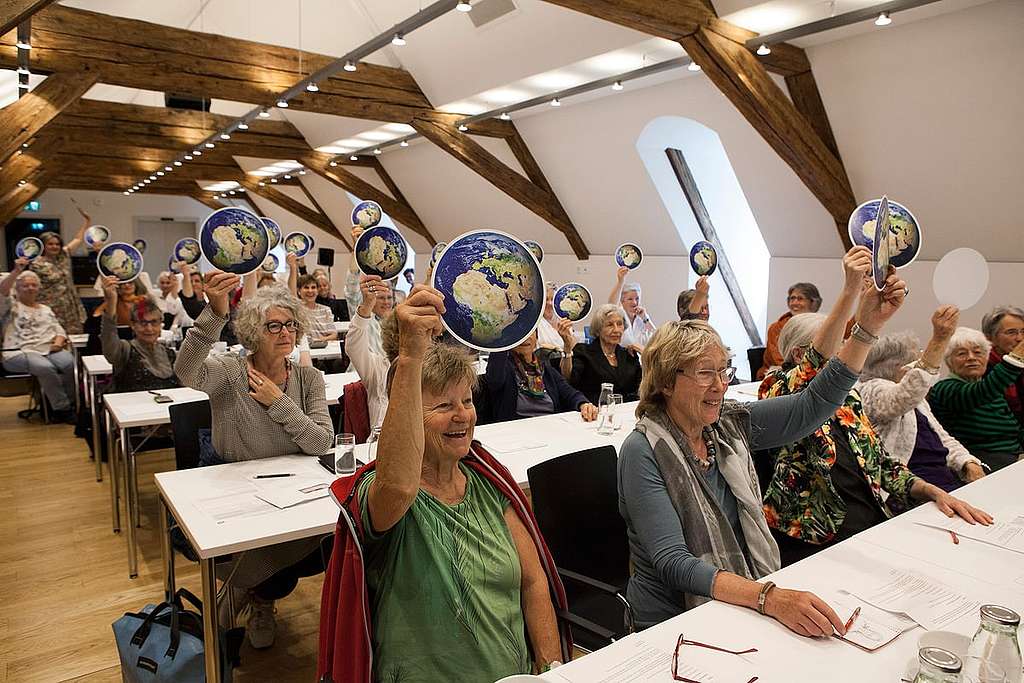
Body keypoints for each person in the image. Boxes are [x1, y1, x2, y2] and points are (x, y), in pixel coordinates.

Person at [318, 284, 572, 682]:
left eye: (467, 401)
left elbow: (533, 580)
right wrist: (411, 357)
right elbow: (399, 486)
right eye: (442, 406)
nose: (463, 416)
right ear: (406, 413)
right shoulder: (387, 494)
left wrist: (550, 668)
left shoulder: (488, 483)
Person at [760, 248, 990, 566]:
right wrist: (851, 291)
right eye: (839, 343)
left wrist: (930, 490)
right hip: (815, 538)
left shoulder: (849, 398)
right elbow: (814, 372)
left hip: (872, 521)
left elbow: (880, 463)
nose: (847, 352)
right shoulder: (777, 391)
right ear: (799, 355)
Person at [174, 273, 334, 649]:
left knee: (328, 542)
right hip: (236, 487)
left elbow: (322, 442)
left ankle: (242, 592)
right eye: (273, 326)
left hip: (292, 489)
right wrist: (214, 314)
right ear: (251, 331)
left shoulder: (308, 378)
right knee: (275, 552)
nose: (285, 333)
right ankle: (257, 596)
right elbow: (186, 371)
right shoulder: (230, 372)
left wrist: (278, 402)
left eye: (290, 324)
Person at [857, 307, 985, 492]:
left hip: (943, 478)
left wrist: (967, 462)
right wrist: (940, 338)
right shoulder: (871, 389)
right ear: (898, 366)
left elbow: (942, 438)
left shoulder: (917, 400)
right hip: (912, 487)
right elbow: (904, 396)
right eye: (916, 362)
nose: (919, 367)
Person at [927, 327, 1024, 472]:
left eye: (978, 352)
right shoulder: (944, 389)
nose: (971, 357)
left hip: (1013, 458)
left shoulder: (991, 390)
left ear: (986, 358)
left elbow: (1014, 430)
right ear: (949, 361)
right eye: (961, 354)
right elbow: (979, 393)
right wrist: (1015, 359)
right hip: (978, 461)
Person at [0, 260, 75, 422]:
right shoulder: (11, 307)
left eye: (34, 285)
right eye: (25, 285)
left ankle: (72, 404)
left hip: (49, 349)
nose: (30, 288)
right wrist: (15, 271)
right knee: (45, 367)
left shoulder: (45, 309)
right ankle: (61, 409)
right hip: (18, 352)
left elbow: (59, 330)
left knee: (70, 363)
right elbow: (3, 291)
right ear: (17, 289)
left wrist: (59, 341)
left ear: (38, 288)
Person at [485, 328, 598, 422]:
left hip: (549, 426)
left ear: (537, 339)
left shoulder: (546, 369)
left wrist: (584, 404)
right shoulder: (503, 366)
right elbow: (494, 380)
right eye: (521, 334)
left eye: (530, 332)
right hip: (516, 431)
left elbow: (570, 393)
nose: (526, 338)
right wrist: (502, 341)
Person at [98, 275, 178, 393]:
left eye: (154, 322)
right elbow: (109, 338)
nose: (149, 328)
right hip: (131, 409)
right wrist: (111, 302)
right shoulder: (124, 350)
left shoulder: (170, 354)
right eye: (143, 323)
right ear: (133, 325)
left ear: (161, 324)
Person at [565, 303, 642, 404]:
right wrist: (567, 349)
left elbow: (642, 388)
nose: (616, 330)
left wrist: (646, 355)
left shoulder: (628, 354)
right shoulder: (584, 352)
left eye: (619, 324)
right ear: (598, 329)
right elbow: (569, 379)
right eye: (610, 325)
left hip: (626, 411)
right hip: (594, 411)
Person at [30, 208, 90, 334]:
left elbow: (78, 239)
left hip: (70, 307)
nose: (55, 247)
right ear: (43, 246)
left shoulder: (64, 255)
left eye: (57, 244)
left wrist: (87, 221)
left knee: (76, 339)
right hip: (50, 308)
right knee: (53, 338)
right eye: (50, 244)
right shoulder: (36, 264)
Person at [347, 274, 394, 430]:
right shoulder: (380, 368)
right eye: (382, 298)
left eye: (389, 298)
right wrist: (366, 305)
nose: (386, 302)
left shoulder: (424, 368)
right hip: (381, 443)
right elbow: (354, 345)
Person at [757, 282, 822, 379]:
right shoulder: (777, 328)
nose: (794, 303)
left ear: (813, 302)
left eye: (800, 299)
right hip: (777, 377)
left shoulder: (821, 325)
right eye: (792, 298)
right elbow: (782, 361)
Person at [982, 305, 1024, 424]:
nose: (1020, 338)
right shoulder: (983, 369)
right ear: (990, 338)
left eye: (1023, 331)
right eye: (1011, 332)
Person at [608, 267, 654, 351]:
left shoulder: (642, 316)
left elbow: (655, 338)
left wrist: (645, 318)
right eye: (630, 299)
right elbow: (611, 305)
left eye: (637, 299)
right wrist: (620, 281)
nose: (634, 303)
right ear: (622, 301)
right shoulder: (619, 315)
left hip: (642, 361)